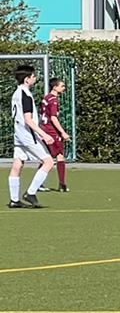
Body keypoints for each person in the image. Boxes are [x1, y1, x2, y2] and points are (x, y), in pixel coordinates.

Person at [9, 64, 52, 210]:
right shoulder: (25, 95)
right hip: (27, 135)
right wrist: (44, 134)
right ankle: (31, 193)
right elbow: (28, 120)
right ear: (27, 79)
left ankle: (14, 200)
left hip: (18, 134)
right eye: (33, 76)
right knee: (48, 162)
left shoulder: (16, 93)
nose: (35, 78)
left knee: (17, 164)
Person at [36, 77, 70, 192]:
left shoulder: (46, 98)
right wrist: (63, 132)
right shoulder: (54, 100)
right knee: (60, 156)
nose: (64, 88)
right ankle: (62, 184)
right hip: (51, 131)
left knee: (47, 158)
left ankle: (38, 183)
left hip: (44, 129)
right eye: (62, 86)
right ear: (55, 87)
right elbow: (53, 118)